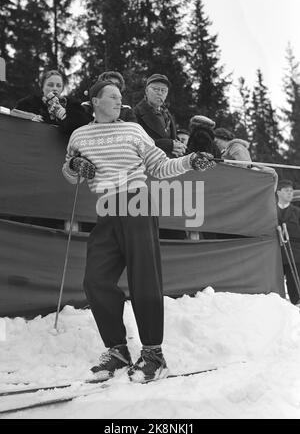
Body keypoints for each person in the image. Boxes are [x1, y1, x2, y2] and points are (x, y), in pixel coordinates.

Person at [62, 79, 216, 383]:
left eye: (120, 97)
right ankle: (118, 352)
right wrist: (75, 165)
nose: (119, 102)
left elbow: (159, 166)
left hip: (137, 202)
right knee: (96, 279)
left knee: (143, 278)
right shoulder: (79, 136)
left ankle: (154, 356)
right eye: (112, 97)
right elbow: (69, 174)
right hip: (106, 209)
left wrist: (191, 161)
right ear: (95, 101)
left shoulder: (132, 129)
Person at [14, 69, 92, 137]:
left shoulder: (71, 104)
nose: (54, 88)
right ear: (42, 87)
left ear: (62, 89)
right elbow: (14, 113)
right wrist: (31, 117)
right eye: (50, 85)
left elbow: (86, 125)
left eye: (58, 86)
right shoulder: (31, 102)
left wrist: (65, 116)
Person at [134, 74, 186, 158]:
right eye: (156, 89)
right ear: (146, 91)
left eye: (164, 90)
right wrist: (168, 145)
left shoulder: (166, 113)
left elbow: (171, 137)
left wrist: (179, 146)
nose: (160, 93)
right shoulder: (136, 113)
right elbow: (136, 143)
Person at [276, 179, 300, 307]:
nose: (290, 194)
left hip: (295, 253)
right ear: (278, 192)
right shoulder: (270, 210)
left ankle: (297, 303)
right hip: (275, 252)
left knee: (294, 281)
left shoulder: (297, 212)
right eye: (286, 191)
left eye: (291, 191)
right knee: (275, 281)